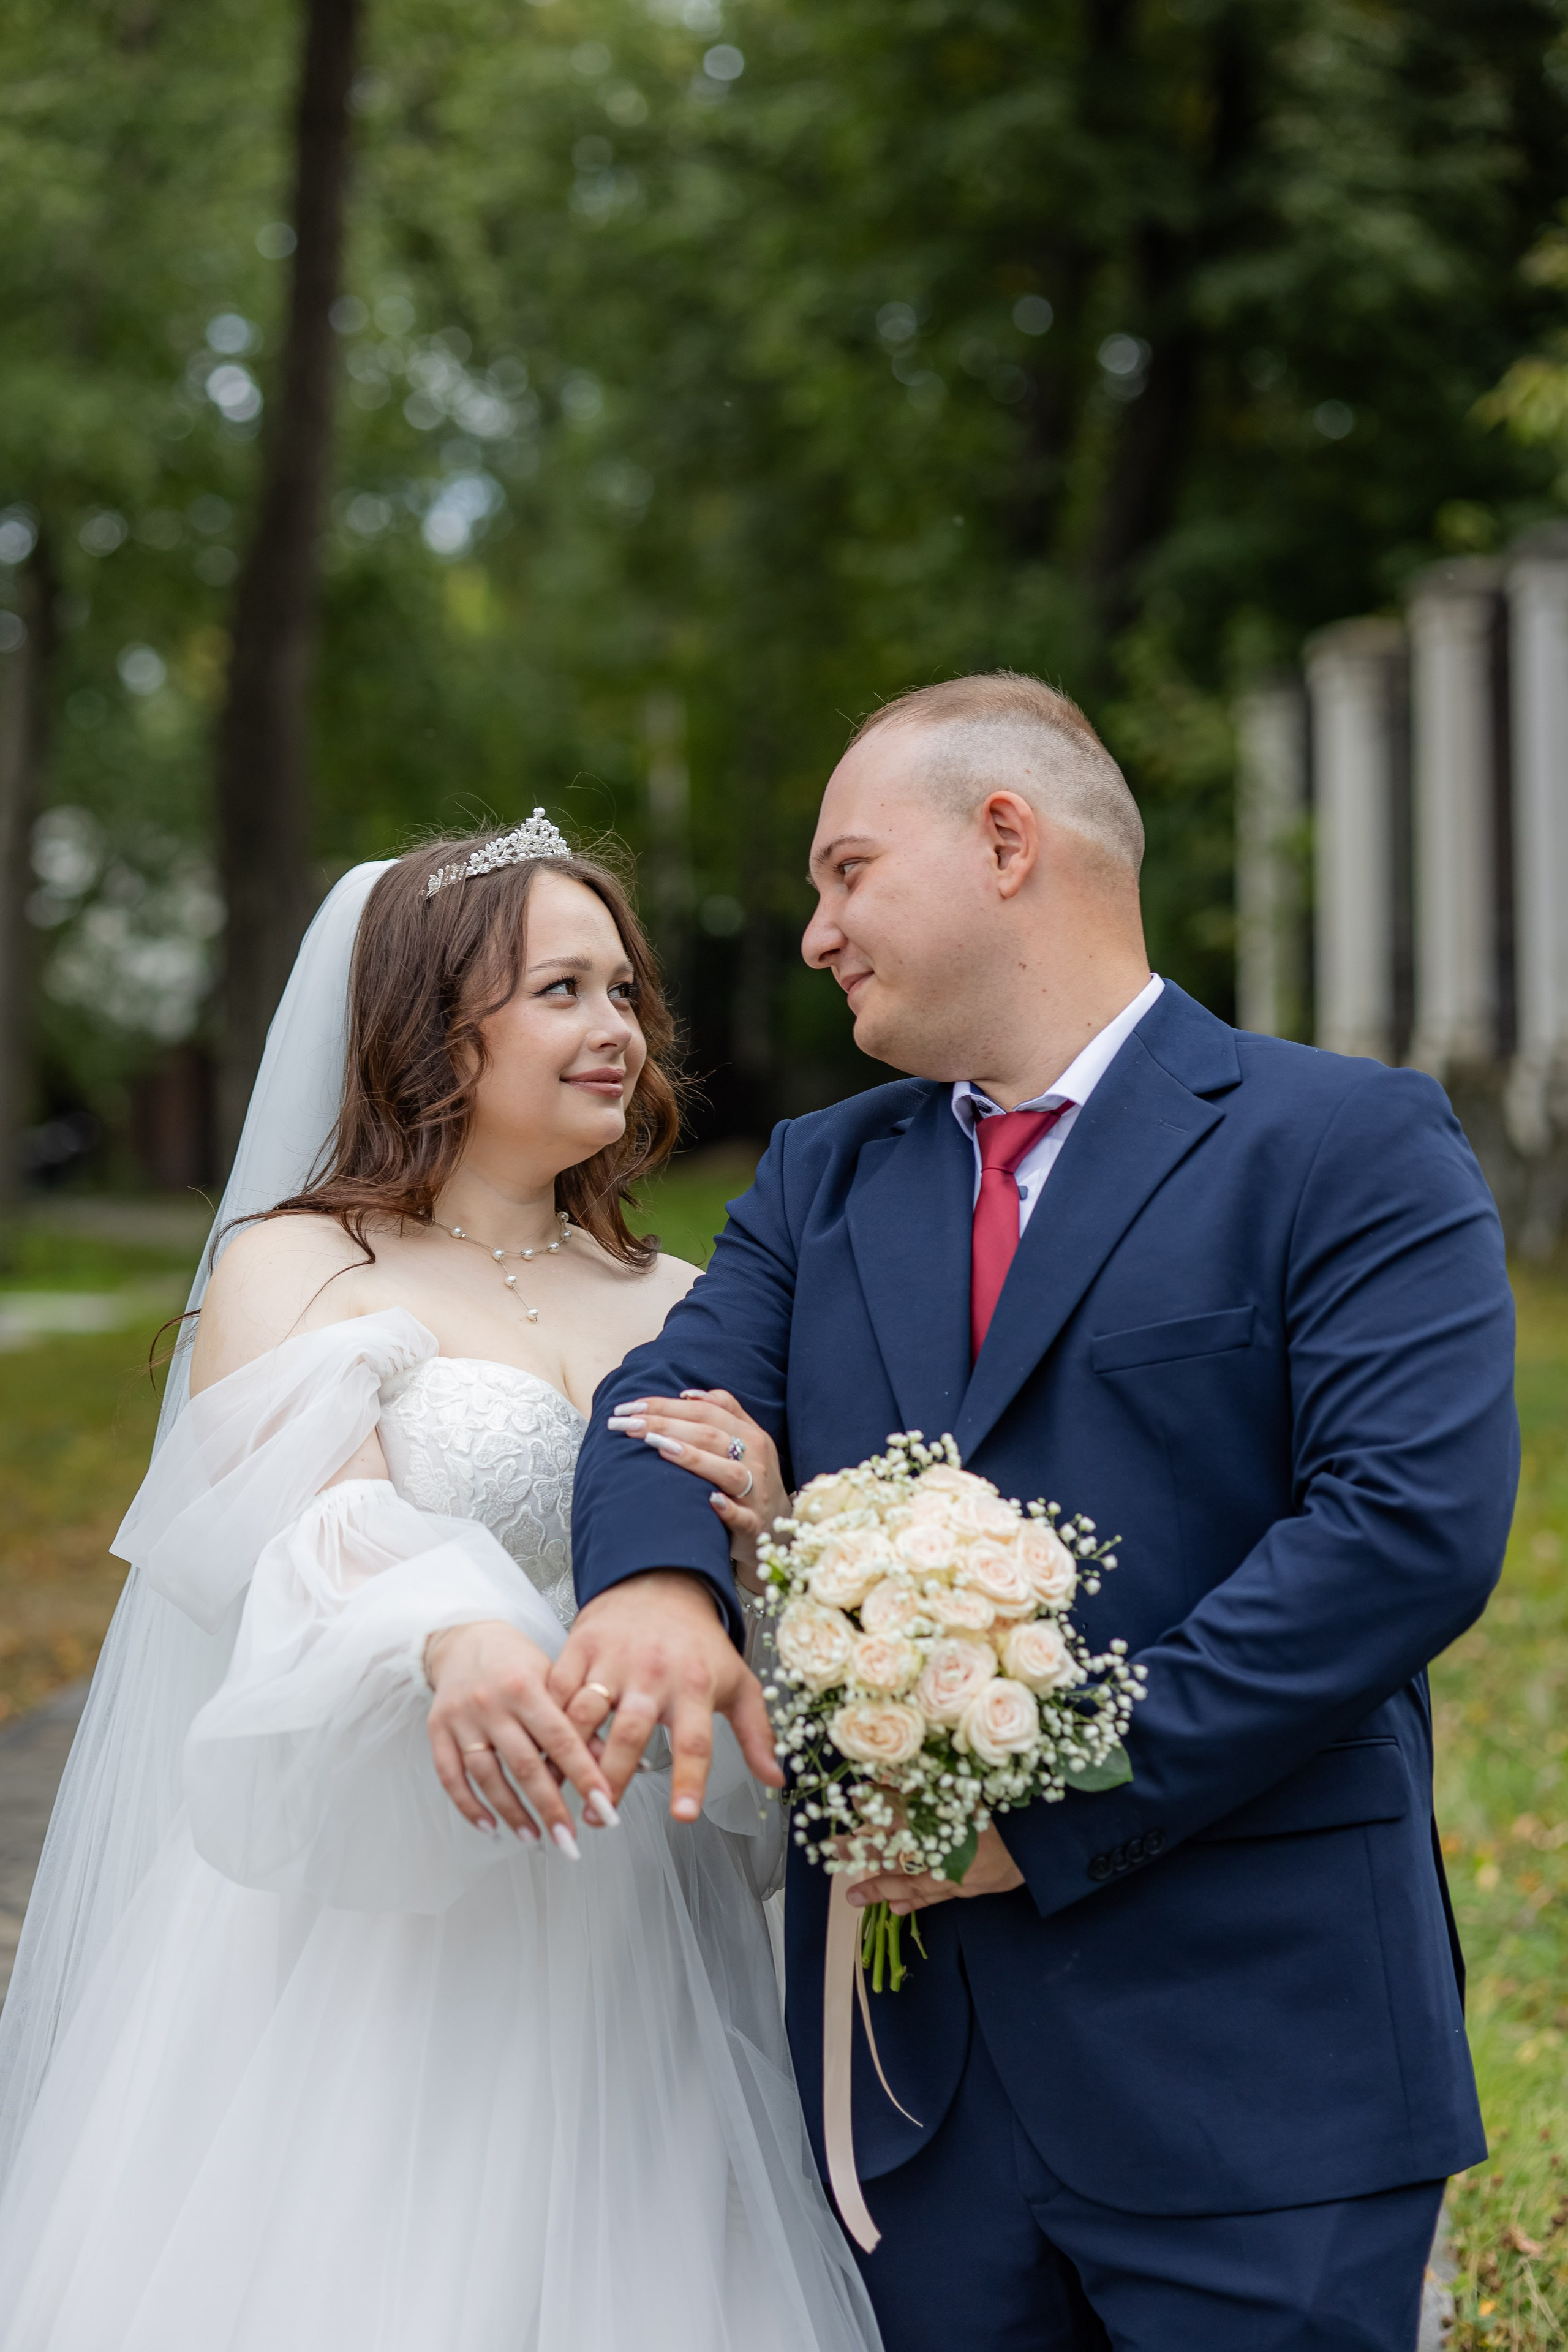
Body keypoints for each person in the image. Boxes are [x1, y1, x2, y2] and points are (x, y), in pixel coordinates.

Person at [560, 673, 1520, 2351]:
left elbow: (1398, 1536)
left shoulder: (1344, 1142)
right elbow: (665, 1405)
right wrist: (651, 1585)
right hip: (914, 2090)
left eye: (845, 872)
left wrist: (1043, 1810)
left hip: (1257, 2066)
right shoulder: (821, 1176)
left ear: (1007, 839)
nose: (814, 933)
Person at [0, 820, 880, 2352]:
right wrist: (454, 1635)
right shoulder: (305, 1267)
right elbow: (304, 1534)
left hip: (636, 1913)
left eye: (622, 991)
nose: (613, 1029)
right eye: (559, 989)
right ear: (428, 1026)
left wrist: (769, 1524)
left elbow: (751, 1611)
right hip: (378, 1894)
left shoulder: (683, 1299)